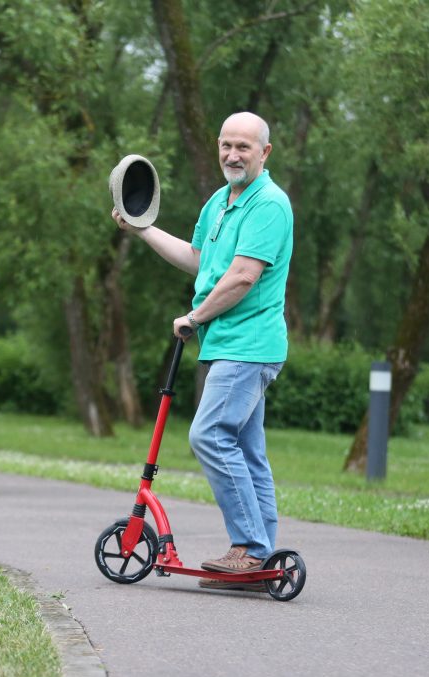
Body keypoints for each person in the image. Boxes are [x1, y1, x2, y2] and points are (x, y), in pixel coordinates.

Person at [112, 111, 293, 591]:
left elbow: (241, 277)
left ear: (265, 153)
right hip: (230, 346)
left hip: (248, 346)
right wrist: (142, 228)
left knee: (209, 435)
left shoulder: (269, 205)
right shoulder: (220, 201)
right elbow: (200, 262)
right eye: (226, 145)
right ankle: (261, 557)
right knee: (248, 452)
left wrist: (195, 318)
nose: (233, 155)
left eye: (244, 147)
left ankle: (251, 549)